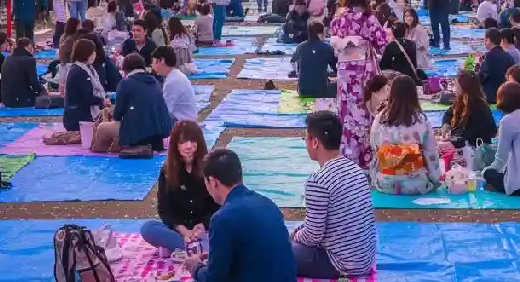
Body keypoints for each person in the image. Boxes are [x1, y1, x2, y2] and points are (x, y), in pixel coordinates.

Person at [184, 149, 296, 282]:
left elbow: (213, 279)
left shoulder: (222, 218)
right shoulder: (267, 203)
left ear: (213, 182)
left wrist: (195, 267)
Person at [292, 111, 377, 279]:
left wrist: (295, 236)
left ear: (315, 142)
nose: (306, 144)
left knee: (276, 250)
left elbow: (312, 236)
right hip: (365, 259)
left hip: (341, 263)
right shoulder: (355, 170)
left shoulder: (318, 181)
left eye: (306, 139)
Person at [330, 0, 389, 169]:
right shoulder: (368, 18)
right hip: (364, 70)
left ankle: (347, 156)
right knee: (365, 108)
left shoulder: (339, 16)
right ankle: (366, 155)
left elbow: (333, 36)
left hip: (345, 71)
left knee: (346, 110)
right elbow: (381, 41)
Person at [142, 121, 219, 253]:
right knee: (148, 228)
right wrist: (181, 229)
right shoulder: (167, 171)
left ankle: (180, 248)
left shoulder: (210, 168)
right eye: (183, 142)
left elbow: (219, 206)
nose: (188, 146)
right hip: (179, 232)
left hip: (206, 230)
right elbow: (164, 209)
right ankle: (192, 248)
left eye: (193, 141)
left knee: (226, 232)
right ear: (175, 145)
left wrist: (203, 225)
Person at [370, 74, 441, 195]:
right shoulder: (421, 119)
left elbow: (374, 147)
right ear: (414, 94)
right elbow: (431, 152)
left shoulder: (380, 119)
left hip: (385, 183)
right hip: (416, 183)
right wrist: (435, 178)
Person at [109, 53, 173, 153]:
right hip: (158, 133)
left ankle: (98, 156)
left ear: (125, 68)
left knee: (101, 130)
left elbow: (117, 115)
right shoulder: (154, 81)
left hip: (138, 134)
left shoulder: (125, 84)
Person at [441, 71, 498, 147]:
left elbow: (470, 136)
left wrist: (451, 139)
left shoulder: (479, 108)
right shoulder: (462, 100)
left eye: (456, 85)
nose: (454, 89)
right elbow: (449, 113)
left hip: (479, 148)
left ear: (464, 87)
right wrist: (446, 124)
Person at [62, 39, 108, 132]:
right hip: (78, 118)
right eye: (92, 52)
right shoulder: (79, 72)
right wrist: (102, 102)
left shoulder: (87, 68)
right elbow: (86, 97)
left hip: (81, 114)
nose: (94, 54)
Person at [153, 46, 198, 122]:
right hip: (187, 120)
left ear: (161, 61)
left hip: (183, 124)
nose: (152, 65)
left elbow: (165, 111)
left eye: (153, 61)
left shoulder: (172, 81)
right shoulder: (175, 75)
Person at [293, 22, 337, 98]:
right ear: (320, 33)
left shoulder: (300, 46)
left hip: (303, 90)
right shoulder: (327, 48)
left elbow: (293, 63)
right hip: (321, 91)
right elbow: (336, 68)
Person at [1, 37, 44, 108]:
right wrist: (43, 90)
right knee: (48, 99)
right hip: (21, 100)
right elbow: (33, 82)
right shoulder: (29, 60)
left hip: (6, 99)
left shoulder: (7, 58)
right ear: (28, 46)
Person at [478, 27, 515, 104]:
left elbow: (481, 78)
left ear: (488, 40)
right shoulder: (509, 56)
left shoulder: (489, 57)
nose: (484, 43)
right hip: (507, 95)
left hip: (492, 97)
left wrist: (479, 68)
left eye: (484, 40)